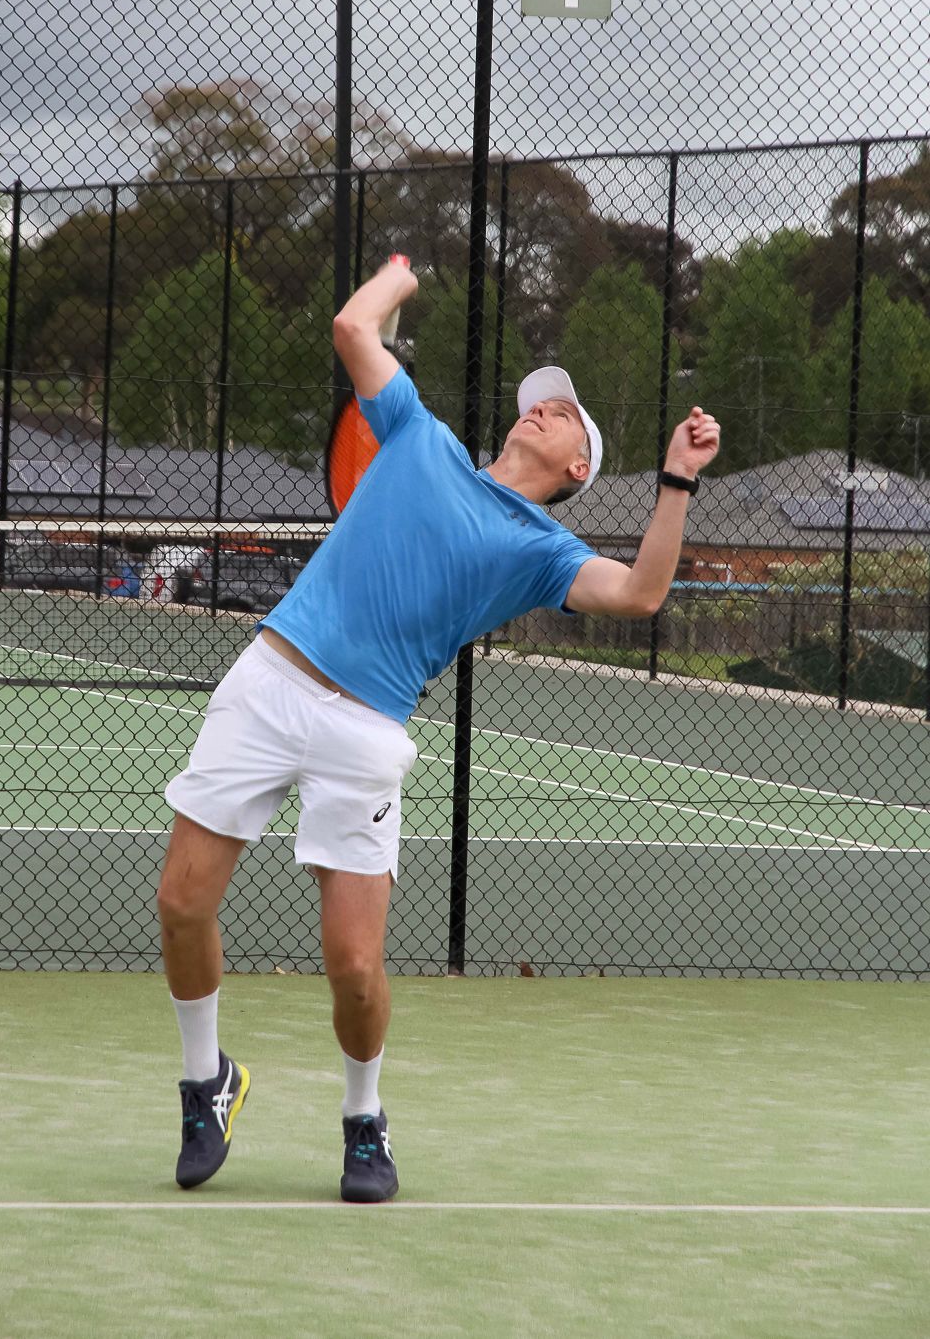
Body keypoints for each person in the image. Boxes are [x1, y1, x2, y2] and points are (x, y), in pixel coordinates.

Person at [156, 258, 720, 1203]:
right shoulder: (420, 435)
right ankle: (206, 1080)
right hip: (269, 679)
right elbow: (350, 329)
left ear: (578, 467)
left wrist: (676, 480)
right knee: (181, 901)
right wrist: (396, 276)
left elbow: (642, 591)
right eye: (537, 401)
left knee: (355, 963)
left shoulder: (543, 550)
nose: (540, 408)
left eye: (563, 412)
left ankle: (364, 1118)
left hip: (367, 729)